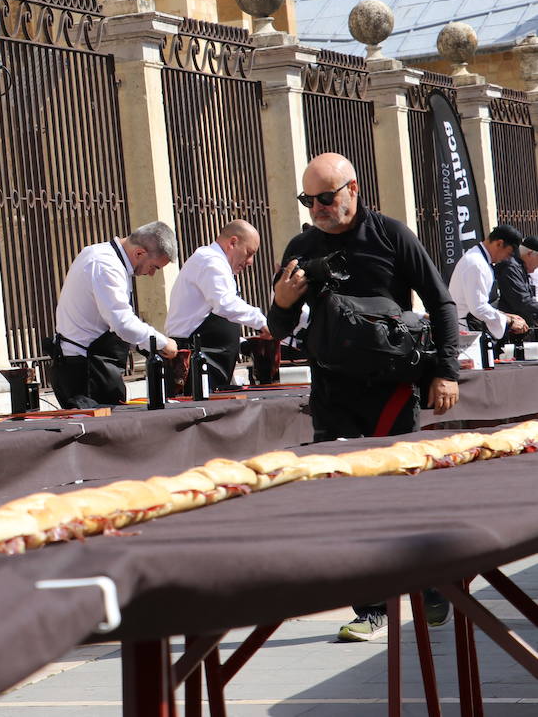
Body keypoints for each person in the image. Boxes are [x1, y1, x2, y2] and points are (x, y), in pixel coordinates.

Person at [268, 152, 458, 642]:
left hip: (391, 392)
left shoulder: (392, 235)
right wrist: (283, 304)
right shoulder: (301, 247)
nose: (317, 207)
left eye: (326, 197)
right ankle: (371, 607)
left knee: (401, 493)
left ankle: (433, 583)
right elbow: (278, 328)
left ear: (353, 189)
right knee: (347, 501)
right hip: (332, 392)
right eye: (308, 199)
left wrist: (446, 371)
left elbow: (440, 301)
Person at [51, 222, 179, 408]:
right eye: (154, 267)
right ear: (139, 253)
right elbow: (122, 324)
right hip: (85, 371)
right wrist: (163, 342)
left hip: (90, 366)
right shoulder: (105, 264)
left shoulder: (102, 255)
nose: (151, 274)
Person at [165, 219, 270, 390]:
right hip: (192, 365)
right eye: (249, 253)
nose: (250, 262)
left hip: (209, 364)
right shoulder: (210, 261)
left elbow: (207, 316)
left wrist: (242, 343)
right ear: (233, 242)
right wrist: (263, 323)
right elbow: (225, 304)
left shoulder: (216, 263)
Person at [448, 224, 529, 343]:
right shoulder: (477, 264)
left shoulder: (478, 259)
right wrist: (509, 321)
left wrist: (507, 316)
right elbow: (478, 308)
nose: (507, 258)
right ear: (499, 243)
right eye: (508, 253)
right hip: (467, 332)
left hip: (469, 326)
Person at [492, 234, 538, 335]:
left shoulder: (519, 266)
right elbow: (522, 301)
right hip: (511, 330)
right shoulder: (511, 268)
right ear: (530, 254)